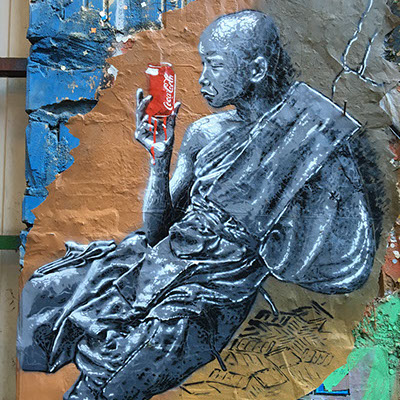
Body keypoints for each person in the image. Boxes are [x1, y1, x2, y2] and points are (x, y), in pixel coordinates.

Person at [17, 10, 376, 400]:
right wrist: (159, 158)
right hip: (160, 260)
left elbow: (337, 245)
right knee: (46, 292)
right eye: (202, 64)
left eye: (215, 66)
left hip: (213, 290)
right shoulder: (204, 133)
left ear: (256, 70)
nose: (203, 77)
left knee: (118, 367)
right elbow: (157, 233)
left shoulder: (309, 138)